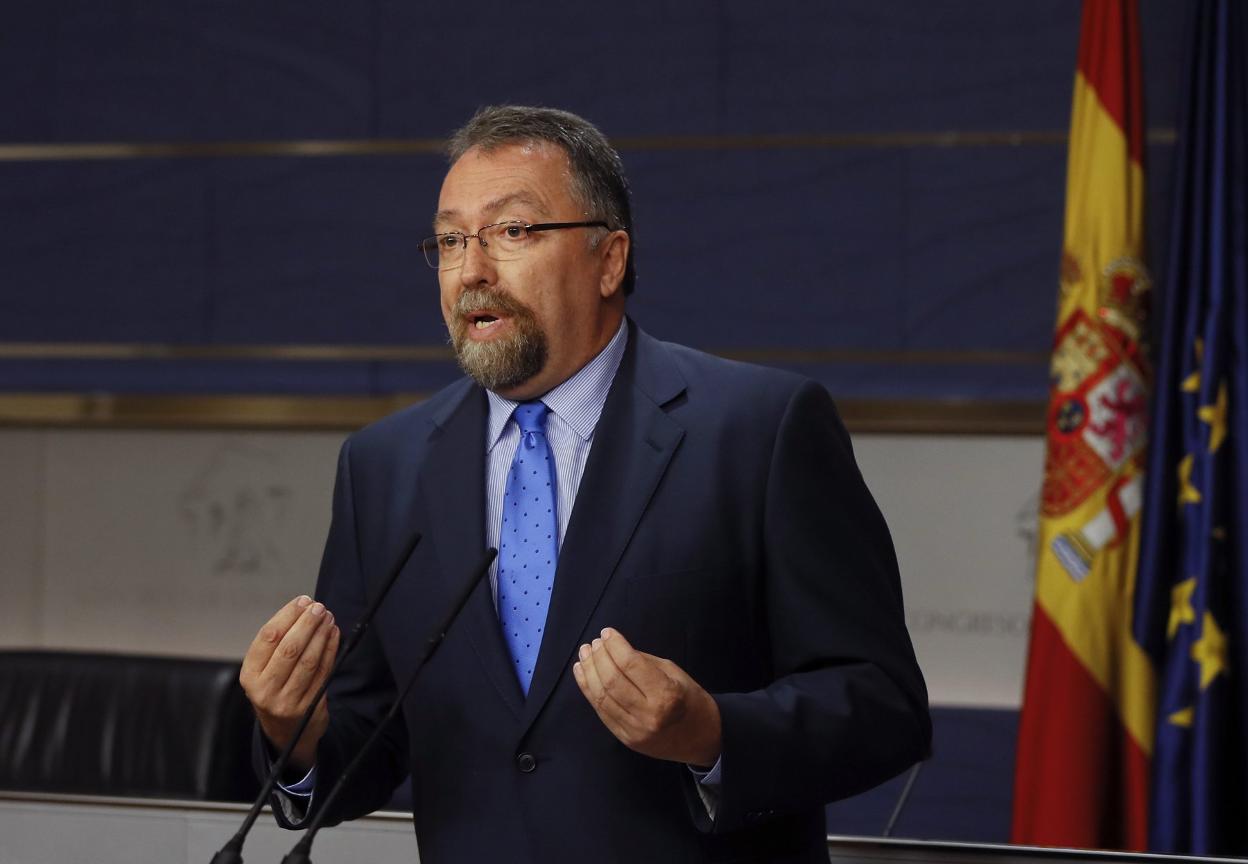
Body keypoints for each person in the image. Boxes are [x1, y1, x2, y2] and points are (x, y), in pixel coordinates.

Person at [240, 105, 930, 864]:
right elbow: (368, 738)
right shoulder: (384, 465)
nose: (471, 270)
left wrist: (711, 734)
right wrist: (294, 733)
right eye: (449, 240)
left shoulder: (757, 430)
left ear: (609, 260)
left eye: (514, 231)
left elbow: (882, 705)